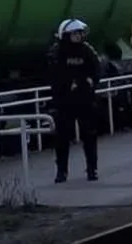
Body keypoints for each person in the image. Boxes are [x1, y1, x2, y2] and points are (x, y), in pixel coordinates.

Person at [48, 18, 101, 183]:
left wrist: (88, 82)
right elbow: (54, 74)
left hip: (85, 100)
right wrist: (70, 83)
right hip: (64, 102)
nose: (79, 36)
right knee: (62, 138)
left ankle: (92, 169)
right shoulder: (57, 52)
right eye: (75, 34)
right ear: (65, 35)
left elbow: (96, 70)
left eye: (80, 33)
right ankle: (61, 172)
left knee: (90, 135)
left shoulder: (87, 51)